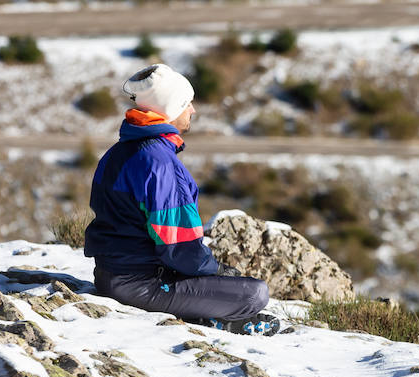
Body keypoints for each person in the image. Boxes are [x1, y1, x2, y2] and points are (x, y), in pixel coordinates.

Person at [84, 64, 282, 335]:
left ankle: (202, 311)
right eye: (187, 104)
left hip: (108, 275)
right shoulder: (161, 165)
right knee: (254, 294)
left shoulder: (118, 152)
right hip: (140, 285)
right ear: (171, 109)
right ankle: (208, 319)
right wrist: (218, 271)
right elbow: (181, 249)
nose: (193, 110)